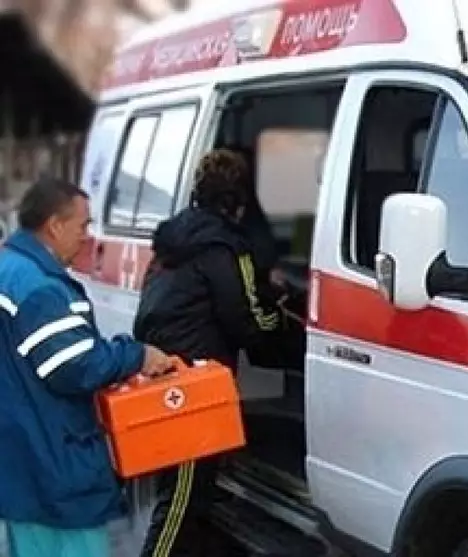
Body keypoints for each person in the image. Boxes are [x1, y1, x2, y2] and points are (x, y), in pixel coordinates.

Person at [0, 176, 175, 557]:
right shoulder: (40, 288)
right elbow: (75, 366)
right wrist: (137, 355)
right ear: (54, 225)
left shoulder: (8, 269)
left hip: (19, 464)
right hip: (53, 469)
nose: (87, 237)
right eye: (82, 225)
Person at [134, 148, 293, 556]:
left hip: (165, 370)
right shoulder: (227, 247)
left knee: (190, 490)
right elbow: (245, 317)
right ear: (237, 202)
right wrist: (283, 324)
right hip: (195, 382)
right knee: (182, 497)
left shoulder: (174, 241)